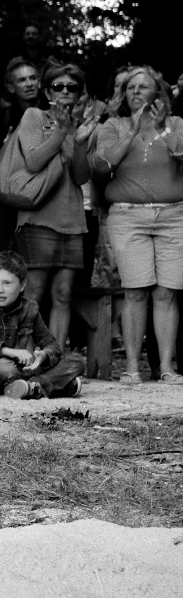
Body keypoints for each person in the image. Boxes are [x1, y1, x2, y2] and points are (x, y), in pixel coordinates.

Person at [92, 66, 183, 384]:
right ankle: (131, 368)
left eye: (144, 87)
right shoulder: (112, 125)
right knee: (134, 293)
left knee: (165, 293)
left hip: (174, 217)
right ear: (122, 94)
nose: (136, 92)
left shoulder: (177, 124)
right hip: (128, 218)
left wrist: (166, 130)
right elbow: (102, 166)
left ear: (158, 93)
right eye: (130, 87)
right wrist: (129, 132)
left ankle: (167, 367)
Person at [14, 64, 98, 351]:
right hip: (38, 217)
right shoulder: (33, 116)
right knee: (34, 291)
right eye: (58, 86)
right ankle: (24, 356)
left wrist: (82, 142)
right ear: (47, 91)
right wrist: (61, 131)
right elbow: (34, 162)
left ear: (80, 93)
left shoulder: (81, 126)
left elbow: (81, 177)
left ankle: (54, 356)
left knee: (63, 294)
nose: (64, 92)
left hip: (73, 218)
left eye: (71, 87)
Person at [0, 252, 85, 398]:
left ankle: (33, 385)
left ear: (22, 285)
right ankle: (54, 384)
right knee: (3, 367)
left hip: (25, 368)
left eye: (7, 283)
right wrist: (6, 351)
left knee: (77, 361)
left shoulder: (30, 308)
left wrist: (43, 355)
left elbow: (52, 345)